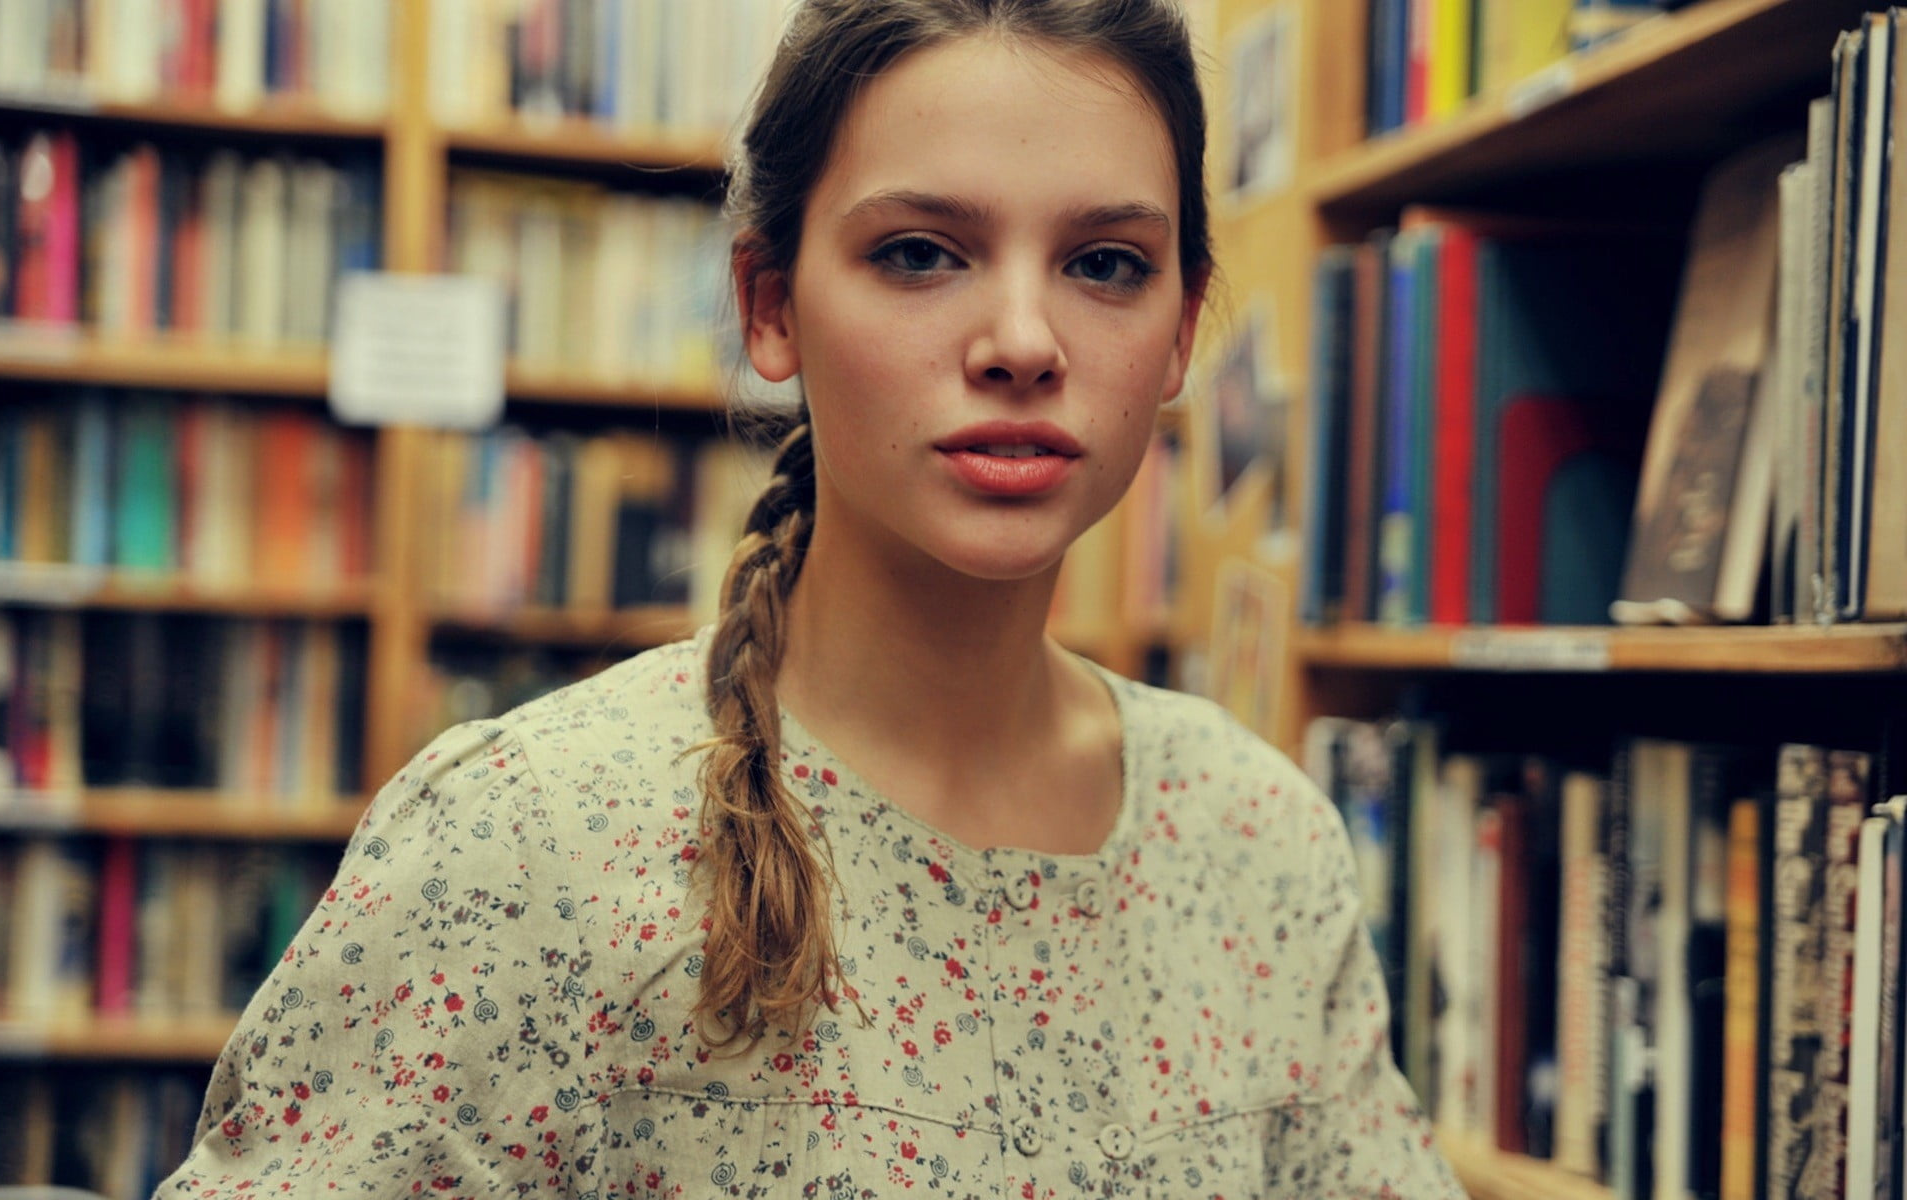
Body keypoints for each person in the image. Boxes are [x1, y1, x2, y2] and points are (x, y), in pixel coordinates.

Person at [155, 1, 1463, 1195]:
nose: (1022, 340)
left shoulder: (1255, 846)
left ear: (1181, 333)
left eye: (1107, 264)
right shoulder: (530, 839)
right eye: (919, 252)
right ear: (769, 306)